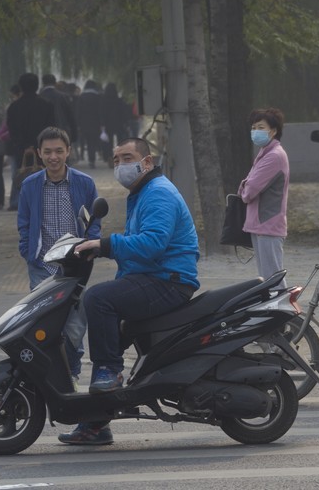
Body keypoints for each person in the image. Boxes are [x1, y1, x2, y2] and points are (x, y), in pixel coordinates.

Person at [58, 137, 199, 446]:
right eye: (116, 159)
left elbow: (152, 244)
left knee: (98, 299)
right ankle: (95, 424)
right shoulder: (143, 192)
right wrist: (101, 249)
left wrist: (105, 245)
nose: (120, 165)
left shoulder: (158, 193)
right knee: (107, 327)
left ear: (146, 162)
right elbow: (140, 246)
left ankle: (110, 372)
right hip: (154, 277)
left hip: (169, 281)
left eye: (127, 157)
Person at [17, 126, 100, 377]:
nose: (54, 157)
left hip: (74, 266)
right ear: (39, 153)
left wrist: (90, 247)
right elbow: (24, 222)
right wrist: (27, 250)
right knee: (44, 322)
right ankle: (48, 373)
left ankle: (72, 371)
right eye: (48, 152)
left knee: (74, 324)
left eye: (59, 151)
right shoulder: (30, 185)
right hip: (42, 266)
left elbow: (94, 221)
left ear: (69, 152)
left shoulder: (84, 183)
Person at [238, 108, 289, 287]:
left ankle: (285, 312)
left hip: (268, 224)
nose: (255, 131)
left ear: (273, 131)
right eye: (253, 127)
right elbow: (250, 184)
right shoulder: (265, 153)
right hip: (261, 225)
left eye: (260, 127)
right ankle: (278, 311)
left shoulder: (274, 156)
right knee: (267, 278)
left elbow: (249, 189)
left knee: (273, 279)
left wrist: (245, 187)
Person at [7, 73, 55, 211]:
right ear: (37, 86)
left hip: (20, 148)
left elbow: (12, 129)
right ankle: (44, 200)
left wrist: (23, 145)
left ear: (21, 87)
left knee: (20, 173)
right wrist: (37, 146)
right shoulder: (46, 105)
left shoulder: (14, 107)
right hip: (42, 147)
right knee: (43, 174)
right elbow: (50, 127)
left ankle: (17, 201)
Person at [38, 73, 77, 155]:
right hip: (62, 130)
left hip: (43, 132)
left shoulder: (39, 97)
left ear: (43, 83)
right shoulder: (63, 96)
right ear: (54, 82)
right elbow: (70, 117)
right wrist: (74, 134)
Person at [77, 80, 103, 168]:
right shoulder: (98, 96)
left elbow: (79, 111)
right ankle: (92, 160)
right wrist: (101, 123)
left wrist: (78, 124)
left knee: (87, 142)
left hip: (84, 124)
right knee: (93, 142)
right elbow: (100, 111)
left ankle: (89, 158)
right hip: (95, 123)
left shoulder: (81, 97)